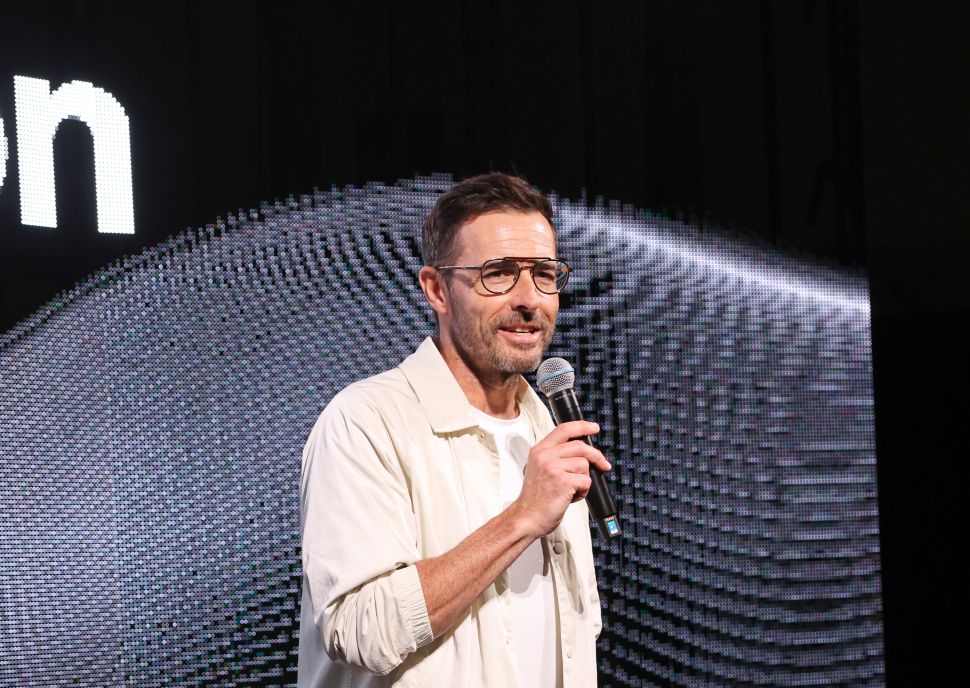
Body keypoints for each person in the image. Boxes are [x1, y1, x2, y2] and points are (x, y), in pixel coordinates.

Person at [298, 172, 611, 687]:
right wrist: (521, 518)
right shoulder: (366, 423)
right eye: (499, 273)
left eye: (544, 273)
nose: (530, 299)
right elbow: (360, 629)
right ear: (437, 289)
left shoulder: (548, 427)